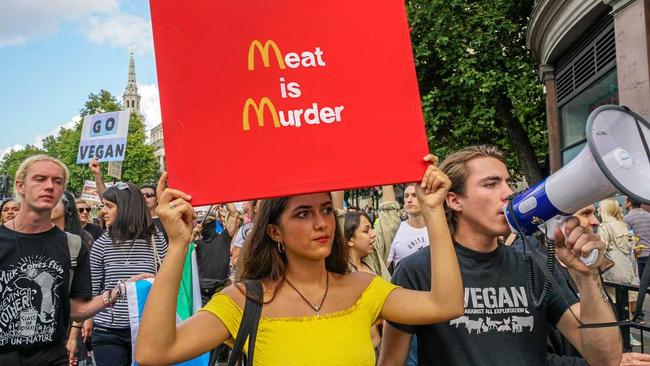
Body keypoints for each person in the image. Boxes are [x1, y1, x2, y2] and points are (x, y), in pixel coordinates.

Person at [135, 156, 464, 365]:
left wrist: (434, 211)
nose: (321, 222)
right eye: (303, 214)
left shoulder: (364, 289)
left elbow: (446, 304)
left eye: (325, 209)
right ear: (275, 232)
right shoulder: (245, 300)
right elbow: (154, 352)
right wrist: (178, 244)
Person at [380, 145, 622, 366]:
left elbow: (605, 358)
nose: (508, 193)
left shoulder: (534, 264)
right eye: (491, 184)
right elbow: (392, 362)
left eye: (507, 183)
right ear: (454, 200)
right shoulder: (416, 270)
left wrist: (586, 277)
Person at [0, 155, 129, 366]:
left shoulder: (73, 246)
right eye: (40, 179)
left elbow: (76, 309)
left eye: (57, 181)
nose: (50, 186)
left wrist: (120, 290)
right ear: (20, 186)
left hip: (51, 357)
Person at [89, 182, 167, 366]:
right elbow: (92, 292)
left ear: (126, 208)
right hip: (108, 331)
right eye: (103, 206)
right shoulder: (101, 244)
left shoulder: (156, 240)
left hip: (148, 330)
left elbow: (169, 282)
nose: (103, 212)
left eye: (109, 206)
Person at [387, 184, 429, 274]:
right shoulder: (396, 229)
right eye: (406, 196)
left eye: (415, 195)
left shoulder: (437, 229)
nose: (409, 200)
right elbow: (385, 267)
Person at [625, 197, 650, 280]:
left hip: (640, 256)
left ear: (629, 203)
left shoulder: (627, 218)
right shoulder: (648, 215)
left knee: (643, 287)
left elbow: (630, 239)